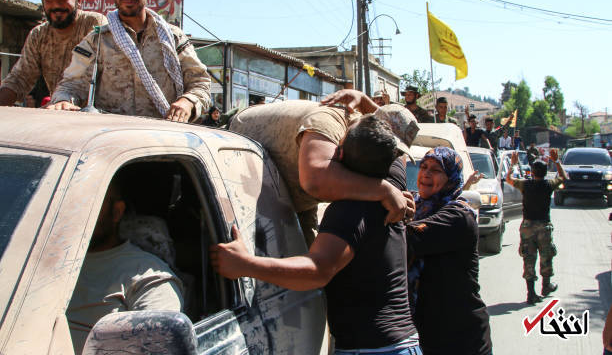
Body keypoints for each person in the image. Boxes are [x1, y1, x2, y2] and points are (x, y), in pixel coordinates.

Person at [212, 115, 420, 354]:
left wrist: (246, 265)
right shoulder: (392, 190)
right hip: (402, 344)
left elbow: (318, 270)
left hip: (375, 349)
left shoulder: (349, 211)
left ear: (338, 156)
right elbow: (389, 145)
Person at [230, 89, 419, 246]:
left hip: (288, 195)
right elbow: (315, 179)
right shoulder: (329, 122)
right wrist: (384, 190)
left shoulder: (369, 140)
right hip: (233, 166)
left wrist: (396, 192)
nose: (391, 155)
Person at [48, 0, 210, 123]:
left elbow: (200, 82)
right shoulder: (97, 42)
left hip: (164, 137)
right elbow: (70, 86)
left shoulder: (173, 38)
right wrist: (63, 101)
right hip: (114, 139)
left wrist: (187, 102)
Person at [66, 177, 183, 354]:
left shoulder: (147, 277)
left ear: (117, 211)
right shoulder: (30, 261)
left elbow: (157, 346)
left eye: (87, 201)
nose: (74, 211)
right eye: (69, 201)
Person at [405, 147, 492, 355]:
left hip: (461, 339)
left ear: (450, 179)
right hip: (426, 335)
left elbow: (408, 237)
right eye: (423, 167)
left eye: (435, 170)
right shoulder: (416, 206)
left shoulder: (459, 215)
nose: (426, 173)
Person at [0, 0, 106, 106]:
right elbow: (20, 78)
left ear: (78, 0)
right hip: (58, 111)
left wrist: (67, 100)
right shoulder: (38, 35)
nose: (56, 5)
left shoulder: (94, 24)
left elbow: (103, 75)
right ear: (42, 2)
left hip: (97, 114)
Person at [505, 149, 567, 304]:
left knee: (529, 258)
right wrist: (557, 161)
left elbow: (508, 179)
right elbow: (563, 177)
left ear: (532, 172)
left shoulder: (525, 185)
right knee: (546, 256)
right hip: (543, 226)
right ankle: (546, 287)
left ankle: (531, 293)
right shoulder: (549, 185)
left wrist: (512, 164)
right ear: (545, 173)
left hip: (527, 227)